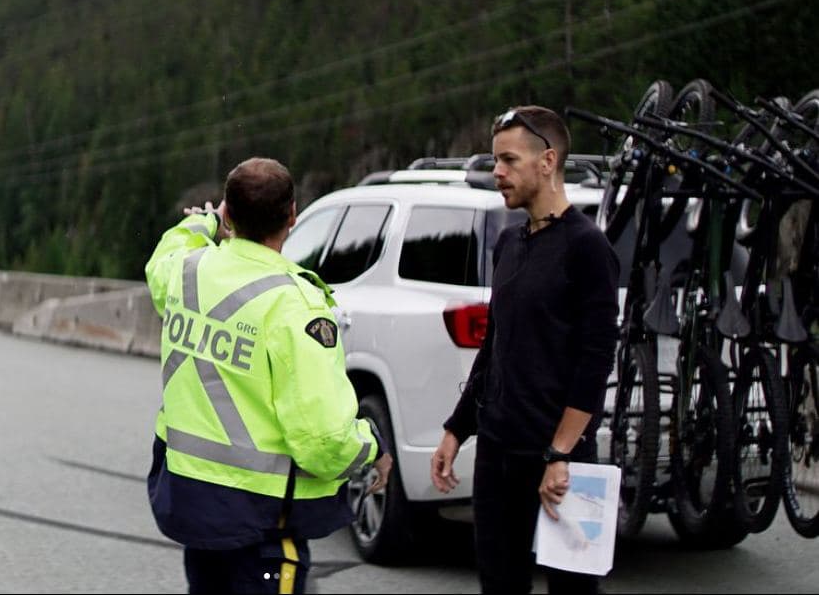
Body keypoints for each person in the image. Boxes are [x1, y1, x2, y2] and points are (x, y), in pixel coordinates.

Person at [145, 157, 393, 594]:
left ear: (229, 213)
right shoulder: (296, 304)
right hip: (262, 522)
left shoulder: (186, 273)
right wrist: (371, 450)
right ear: (293, 216)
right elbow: (323, 439)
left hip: (195, 505)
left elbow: (163, 256)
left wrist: (203, 224)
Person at [430, 106, 619, 594]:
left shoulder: (588, 247)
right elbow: (494, 347)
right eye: (496, 160)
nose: (498, 172)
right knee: (499, 584)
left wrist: (561, 452)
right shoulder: (510, 242)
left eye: (509, 160)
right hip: (499, 452)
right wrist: (457, 429)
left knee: (572, 591)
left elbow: (595, 361)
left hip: (563, 459)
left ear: (548, 161)